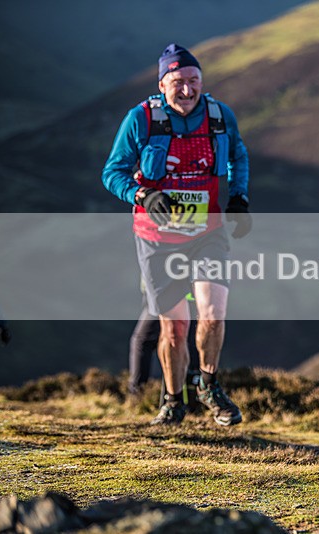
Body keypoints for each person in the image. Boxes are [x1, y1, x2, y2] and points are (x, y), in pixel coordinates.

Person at [103, 43, 252, 426]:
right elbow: (113, 172)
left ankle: (208, 383)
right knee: (172, 331)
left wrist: (238, 197)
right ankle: (172, 400)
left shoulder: (219, 115)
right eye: (178, 82)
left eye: (194, 81)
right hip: (157, 239)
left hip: (209, 232)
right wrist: (141, 194)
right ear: (161, 83)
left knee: (213, 315)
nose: (187, 90)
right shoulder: (141, 119)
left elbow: (238, 155)